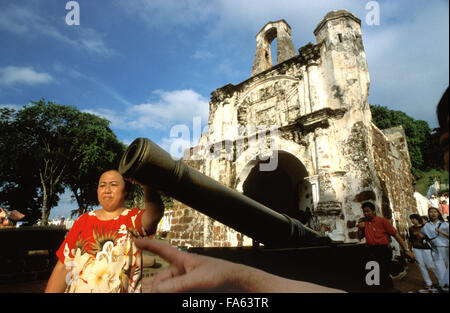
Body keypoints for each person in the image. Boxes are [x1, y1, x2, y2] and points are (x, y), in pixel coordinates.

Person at [45, 169, 164, 293]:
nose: (107, 190)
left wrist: (147, 184)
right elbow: (63, 266)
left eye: (114, 184)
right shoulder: (83, 220)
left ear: (125, 191)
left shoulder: (133, 219)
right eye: (102, 185)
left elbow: (154, 215)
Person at [356, 201, 415, 291]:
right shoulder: (365, 223)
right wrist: (360, 228)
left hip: (383, 249)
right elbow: (360, 237)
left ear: (374, 211)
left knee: (384, 272)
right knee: (373, 273)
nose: (366, 213)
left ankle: (389, 289)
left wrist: (406, 250)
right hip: (371, 250)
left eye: (368, 211)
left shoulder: (382, 221)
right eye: (364, 212)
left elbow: (396, 235)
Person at [408, 214, 440, 292]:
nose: (412, 221)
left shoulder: (425, 227)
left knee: (430, 265)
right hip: (416, 248)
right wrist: (409, 249)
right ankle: (428, 283)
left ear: (417, 219)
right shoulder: (411, 228)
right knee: (421, 266)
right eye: (411, 219)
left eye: (414, 219)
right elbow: (410, 239)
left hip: (426, 249)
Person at [421, 207, 449, 291]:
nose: (433, 214)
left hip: (446, 247)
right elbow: (422, 234)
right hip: (435, 248)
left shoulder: (445, 224)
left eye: (435, 212)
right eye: (430, 212)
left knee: (447, 266)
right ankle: (443, 285)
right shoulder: (427, 225)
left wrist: (440, 232)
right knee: (438, 266)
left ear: (438, 213)